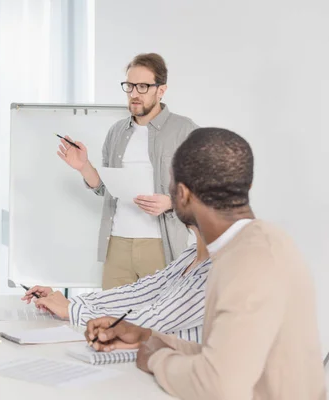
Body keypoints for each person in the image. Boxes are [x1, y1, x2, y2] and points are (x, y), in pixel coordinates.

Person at [84, 128, 326, 399]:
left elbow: (218, 386)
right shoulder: (253, 245)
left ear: (183, 195)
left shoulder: (249, 262)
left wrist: (154, 359)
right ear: (247, 186)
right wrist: (149, 340)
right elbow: (229, 356)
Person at [58, 53, 198, 289]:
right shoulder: (116, 132)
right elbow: (105, 189)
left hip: (162, 246)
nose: (134, 93)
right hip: (117, 244)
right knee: (112, 323)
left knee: (159, 325)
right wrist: (84, 166)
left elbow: (205, 189)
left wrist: (172, 201)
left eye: (143, 86)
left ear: (161, 90)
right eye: (130, 85)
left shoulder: (184, 129)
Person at [22, 226, 210, 342]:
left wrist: (72, 311)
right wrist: (69, 303)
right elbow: (139, 293)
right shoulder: (192, 254)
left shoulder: (220, 269)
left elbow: (152, 320)